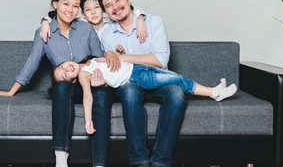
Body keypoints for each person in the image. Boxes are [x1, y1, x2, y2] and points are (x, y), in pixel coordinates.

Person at [0, 0, 118, 167]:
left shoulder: (85, 28)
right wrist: (11, 91)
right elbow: (32, 61)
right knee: (62, 87)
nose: (70, 10)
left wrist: (88, 70)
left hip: (90, 83)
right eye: (66, 4)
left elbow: (99, 58)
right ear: (55, 4)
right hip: (66, 86)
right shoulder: (45, 31)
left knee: (101, 94)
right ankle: (61, 156)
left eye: (75, 6)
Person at [97, 0, 186, 167]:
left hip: (158, 79)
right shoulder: (107, 34)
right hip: (130, 82)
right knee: (129, 93)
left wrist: (125, 57)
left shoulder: (154, 22)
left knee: (178, 94)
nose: (115, 7)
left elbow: (160, 60)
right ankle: (141, 161)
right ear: (106, 12)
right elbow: (114, 67)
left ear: (128, 0)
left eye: (118, 0)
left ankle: (160, 161)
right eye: (108, 5)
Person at [52, 55, 237, 135]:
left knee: (177, 76)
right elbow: (87, 97)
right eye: (65, 75)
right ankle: (214, 93)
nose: (66, 69)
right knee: (179, 82)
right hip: (138, 77)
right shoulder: (85, 75)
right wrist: (88, 119)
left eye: (62, 67)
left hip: (138, 66)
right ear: (72, 81)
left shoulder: (89, 61)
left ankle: (213, 88)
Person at [39, 0, 148, 43]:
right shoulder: (80, 23)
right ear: (83, 15)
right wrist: (45, 22)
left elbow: (132, 9)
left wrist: (140, 20)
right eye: (88, 10)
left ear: (104, 10)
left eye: (96, 7)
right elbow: (56, 16)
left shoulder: (111, 21)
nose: (93, 12)